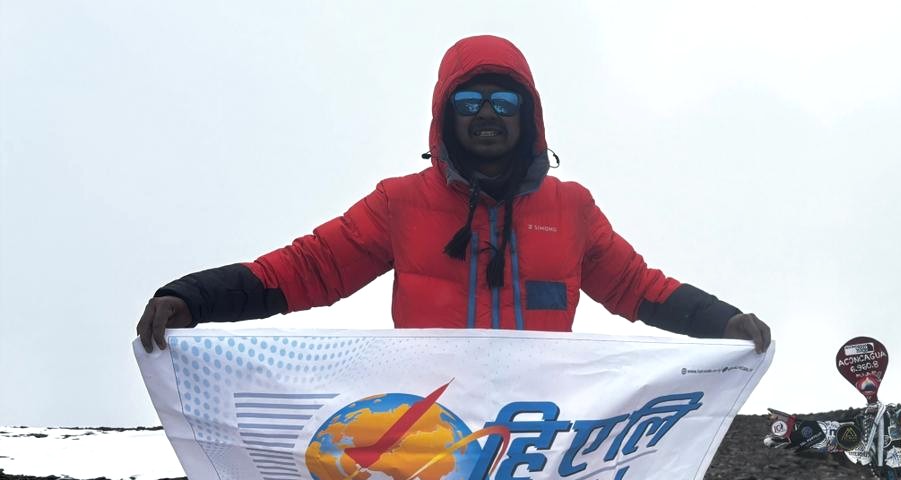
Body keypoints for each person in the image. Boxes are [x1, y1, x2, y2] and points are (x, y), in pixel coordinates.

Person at [136, 35, 770, 354]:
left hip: (543, 432)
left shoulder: (571, 209)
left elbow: (640, 289)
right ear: (445, 115)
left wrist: (726, 323)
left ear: (529, 117)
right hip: (431, 430)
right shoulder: (399, 204)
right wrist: (192, 298)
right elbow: (307, 271)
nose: (486, 113)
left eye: (504, 101)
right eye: (469, 101)